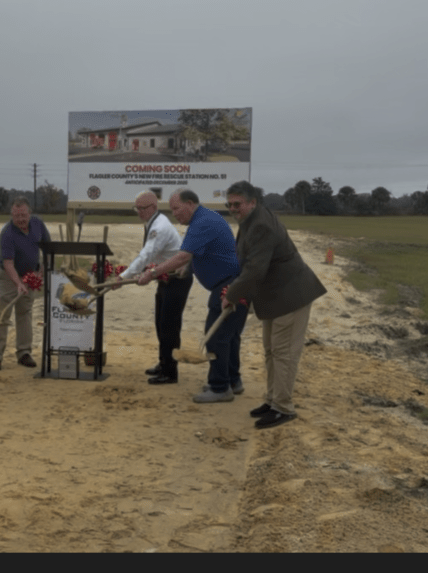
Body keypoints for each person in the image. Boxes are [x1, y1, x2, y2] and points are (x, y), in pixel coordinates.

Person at [223, 180, 327, 429]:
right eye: (230, 204)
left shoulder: (260, 225)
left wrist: (233, 295)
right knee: (271, 350)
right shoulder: (251, 219)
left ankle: (283, 408)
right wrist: (238, 293)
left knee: (284, 354)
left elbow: (255, 269)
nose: (233, 209)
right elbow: (250, 265)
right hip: (274, 296)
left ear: (252, 202)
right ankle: (272, 400)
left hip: (291, 296)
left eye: (238, 204)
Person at [137, 188, 247, 403]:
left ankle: (219, 387)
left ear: (190, 203)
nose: (175, 214)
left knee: (216, 336)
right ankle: (233, 381)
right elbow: (196, 254)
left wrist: (152, 272)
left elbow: (182, 256)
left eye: (177, 208)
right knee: (229, 335)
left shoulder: (202, 222)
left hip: (229, 284)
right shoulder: (205, 218)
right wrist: (187, 268)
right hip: (234, 282)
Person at [117, 190, 193, 385]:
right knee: (160, 322)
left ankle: (170, 371)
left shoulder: (159, 227)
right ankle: (163, 362)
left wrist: (124, 276)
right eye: (137, 208)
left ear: (153, 207)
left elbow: (146, 255)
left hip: (177, 279)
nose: (139, 212)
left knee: (169, 326)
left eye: (142, 208)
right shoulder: (153, 222)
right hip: (165, 278)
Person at [0, 196, 51, 371]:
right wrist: (18, 283)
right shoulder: (7, 233)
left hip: (30, 273)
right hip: (8, 276)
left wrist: (41, 272)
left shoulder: (38, 224)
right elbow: (8, 263)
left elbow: (48, 248)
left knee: (25, 312)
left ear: (30, 213)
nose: (21, 220)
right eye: (16, 216)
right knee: (3, 313)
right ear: (12, 215)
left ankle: (24, 352)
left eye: (23, 215)